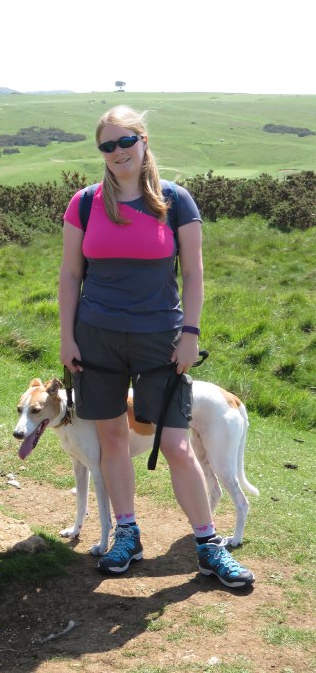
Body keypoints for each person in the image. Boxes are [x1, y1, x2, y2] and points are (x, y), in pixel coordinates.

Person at [58, 105, 255, 589]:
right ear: (100, 151)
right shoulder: (84, 203)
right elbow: (69, 274)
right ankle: (127, 534)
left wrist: (191, 334)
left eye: (126, 141)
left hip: (161, 341)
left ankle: (208, 545)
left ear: (144, 141)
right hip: (96, 338)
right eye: (108, 145)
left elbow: (192, 272)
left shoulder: (176, 200)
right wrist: (67, 335)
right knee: (112, 441)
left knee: (176, 444)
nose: (118, 152)